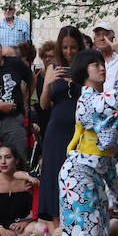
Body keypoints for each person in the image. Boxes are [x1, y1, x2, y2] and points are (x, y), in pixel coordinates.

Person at [41, 47, 118, 236]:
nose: (101, 68)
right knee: (83, 229)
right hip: (79, 174)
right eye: (94, 65)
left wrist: (115, 187)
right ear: (83, 71)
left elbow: (107, 154)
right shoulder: (90, 99)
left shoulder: (95, 98)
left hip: (88, 173)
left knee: (95, 226)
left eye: (102, 63)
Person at [36, 26, 87, 222]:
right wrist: (49, 83)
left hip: (79, 130)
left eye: (73, 47)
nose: (68, 52)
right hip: (56, 130)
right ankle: (57, 227)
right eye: (65, 47)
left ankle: (78, 223)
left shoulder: (86, 67)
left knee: (77, 178)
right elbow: (43, 104)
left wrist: (78, 80)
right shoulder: (52, 67)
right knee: (55, 177)